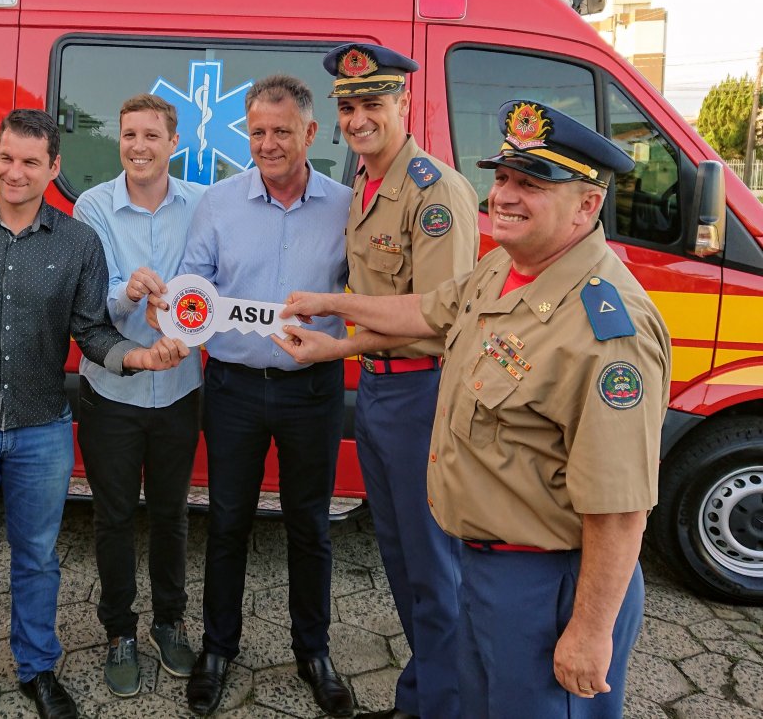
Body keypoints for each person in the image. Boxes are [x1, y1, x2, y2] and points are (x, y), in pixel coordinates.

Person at [276, 101, 670, 719]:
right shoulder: (505, 268)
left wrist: (591, 632)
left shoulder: (607, 331)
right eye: (505, 178)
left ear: (587, 206)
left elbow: (620, 506)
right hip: (481, 566)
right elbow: (426, 310)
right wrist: (330, 313)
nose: (505, 197)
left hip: (545, 585)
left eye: (532, 185)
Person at [0, 108, 189, 719]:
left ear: (52, 168)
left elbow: (89, 331)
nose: (15, 171)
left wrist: (138, 359)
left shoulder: (77, 241)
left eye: (31, 161)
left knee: (36, 558)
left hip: (41, 427)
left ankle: (37, 671)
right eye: (7, 157)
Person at [150, 74, 357, 718]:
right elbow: (196, 287)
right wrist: (182, 314)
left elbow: (366, 292)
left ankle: (313, 653)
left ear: (310, 134)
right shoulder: (217, 203)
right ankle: (218, 650)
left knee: (310, 526)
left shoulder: (348, 206)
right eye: (258, 132)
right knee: (229, 521)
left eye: (282, 131)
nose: (268, 144)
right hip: (235, 387)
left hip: (313, 390)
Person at [319, 43, 478, 719]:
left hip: (423, 393)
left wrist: (332, 333)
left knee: (436, 575)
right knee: (402, 563)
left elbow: (438, 319)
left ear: (403, 103)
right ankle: (424, 695)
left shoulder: (433, 189)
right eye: (349, 106)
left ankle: (448, 706)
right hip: (381, 391)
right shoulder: (367, 180)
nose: (359, 118)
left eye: (373, 103)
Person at [71, 94, 205, 696]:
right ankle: (119, 631)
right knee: (115, 518)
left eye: (152, 135)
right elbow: (83, 306)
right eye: (129, 135)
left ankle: (169, 623)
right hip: (112, 393)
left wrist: (191, 322)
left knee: (173, 515)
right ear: (118, 140)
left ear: (173, 143)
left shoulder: (201, 205)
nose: (139, 146)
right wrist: (128, 293)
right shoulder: (92, 207)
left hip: (180, 389)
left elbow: (216, 288)